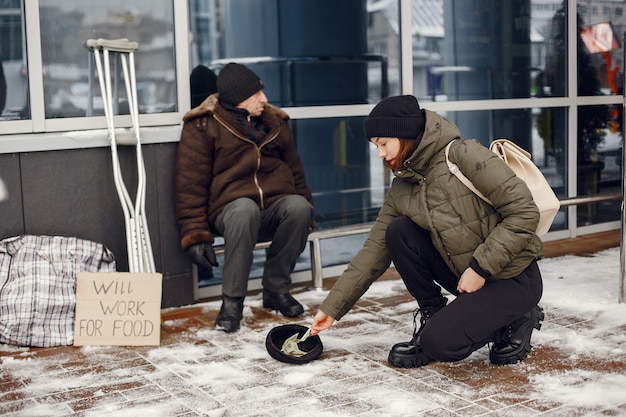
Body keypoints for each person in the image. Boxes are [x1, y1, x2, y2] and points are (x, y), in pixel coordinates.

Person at [310, 95, 544, 368]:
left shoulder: (463, 155)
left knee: (441, 344)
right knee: (398, 232)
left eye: (383, 144)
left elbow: (524, 212)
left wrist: (481, 268)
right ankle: (434, 314)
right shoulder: (402, 187)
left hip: (513, 276)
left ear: (405, 134)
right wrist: (332, 309)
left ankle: (519, 317)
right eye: (376, 146)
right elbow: (373, 251)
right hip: (465, 276)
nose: (381, 154)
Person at [175, 62, 315, 333]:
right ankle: (232, 302)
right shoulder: (204, 125)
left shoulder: (275, 122)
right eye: (257, 94)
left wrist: (307, 208)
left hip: (274, 206)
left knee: (299, 207)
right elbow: (189, 184)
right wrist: (195, 233)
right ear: (238, 98)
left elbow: (296, 170)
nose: (264, 99)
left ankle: (276, 291)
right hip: (230, 209)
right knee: (243, 210)